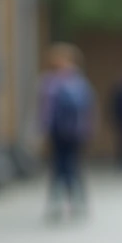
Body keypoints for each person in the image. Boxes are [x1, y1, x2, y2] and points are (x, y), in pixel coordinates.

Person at [40, 43, 96, 220]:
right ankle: (61, 202)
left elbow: (88, 108)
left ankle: (74, 201)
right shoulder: (59, 82)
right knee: (60, 167)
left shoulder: (63, 82)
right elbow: (45, 110)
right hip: (61, 132)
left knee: (71, 166)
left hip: (71, 132)